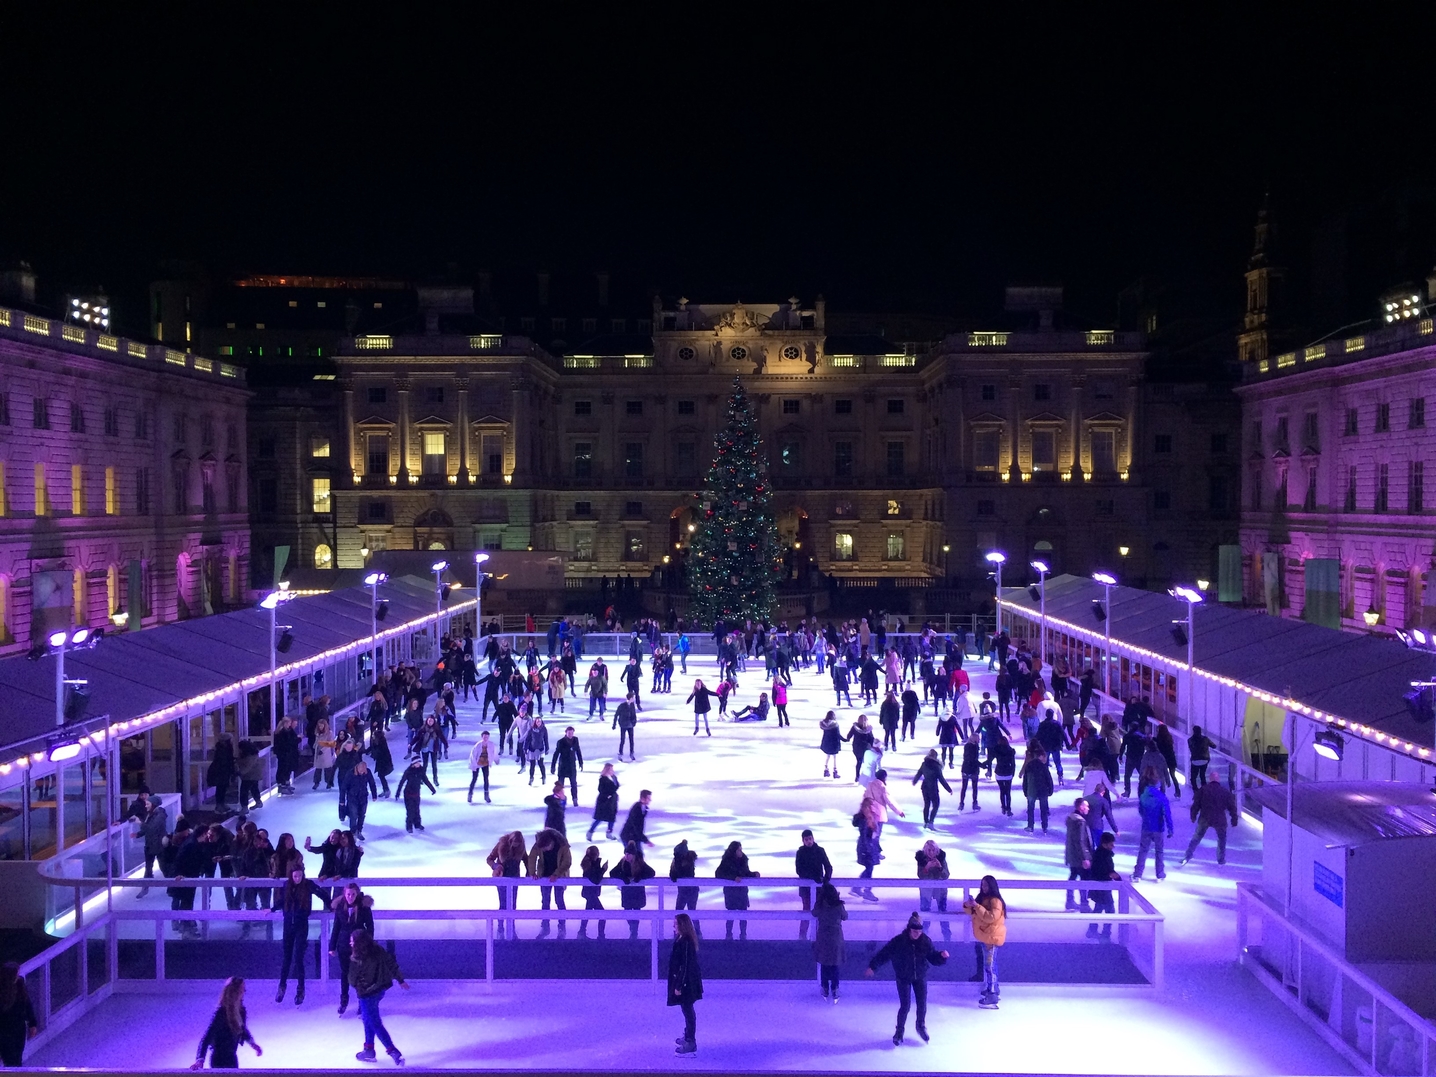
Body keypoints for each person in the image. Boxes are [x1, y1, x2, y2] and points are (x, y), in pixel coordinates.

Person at [864, 912, 950, 1045]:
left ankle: (920, 1026)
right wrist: (873, 966)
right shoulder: (899, 941)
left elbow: (932, 957)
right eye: (915, 931)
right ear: (909, 929)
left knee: (922, 1004)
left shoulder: (925, 941)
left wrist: (941, 957)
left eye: (919, 932)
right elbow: (884, 954)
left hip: (920, 976)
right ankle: (899, 1032)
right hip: (903, 977)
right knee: (905, 1006)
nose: (917, 934)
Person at [349, 928, 409, 1065]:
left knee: (374, 1022)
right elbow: (391, 964)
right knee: (367, 1018)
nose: (350, 943)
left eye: (352, 941)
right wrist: (400, 980)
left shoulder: (356, 958)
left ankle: (393, 1052)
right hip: (379, 990)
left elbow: (352, 979)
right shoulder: (377, 950)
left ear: (358, 943)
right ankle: (368, 1050)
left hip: (366, 994)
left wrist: (358, 986)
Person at [271, 865, 324, 1005]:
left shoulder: (308, 885)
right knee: (286, 958)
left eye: (300, 876)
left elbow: (321, 893)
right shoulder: (286, 885)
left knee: (299, 958)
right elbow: (282, 901)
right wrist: (272, 909)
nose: (297, 878)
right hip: (288, 925)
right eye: (295, 876)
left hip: (301, 926)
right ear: (291, 876)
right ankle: (282, 986)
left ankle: (301, 989)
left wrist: (331, 904)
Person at [191, 976, 261, 1070]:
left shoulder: (241, 1011)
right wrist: (200, 1060)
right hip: (219, 1058)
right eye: (242, 989)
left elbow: (242, 1030)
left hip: (232, 1057)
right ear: (235, 992)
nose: (244, 992)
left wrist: (252, 1043)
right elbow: (207, 1037)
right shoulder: (222, 1013)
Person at [329, 883, 374, 1015]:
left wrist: (368, 943)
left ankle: (361, 1002)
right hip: (343, 945)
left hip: (359, 946)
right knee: (345, 974)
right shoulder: (340, 907)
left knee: (360, 974)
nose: (350, 897)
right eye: (348, 894)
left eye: (353, 894)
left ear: (357, 894)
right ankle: (344, 1001)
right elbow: (336, 927)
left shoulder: (364, 907)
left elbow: (370, 927)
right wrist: (332, 946)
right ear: (344, 894)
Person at [962, 875, 1007, 1008]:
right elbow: (970, 911)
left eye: (986, 885)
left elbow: (991, 917)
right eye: (982, 885)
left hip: (991, 938)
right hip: (985, 937)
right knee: (989, 966)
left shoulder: (995, 901)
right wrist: (969, 904)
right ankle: (992, 989)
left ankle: (992, 994)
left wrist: (977, 906)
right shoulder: (982, 899)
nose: (984, 887)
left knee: (990, 967)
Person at [1182, 774, 1239, 866]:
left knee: (1197, 837)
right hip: (1219, 819)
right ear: (1218, 780)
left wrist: (1193, 816)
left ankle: (1188, 854)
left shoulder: (1203, 790)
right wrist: (1234, 819)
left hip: (1205, 817)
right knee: (1222, 839)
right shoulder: (1225, 792)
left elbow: (1196, 805)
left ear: (1210, 779)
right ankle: (1221, 859)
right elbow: (1232, 807)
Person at [668, 912, 703, 1055]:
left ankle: (690, 1041)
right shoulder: (681, 939)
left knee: (688, 1010)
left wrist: (679, 985)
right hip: (684, 981)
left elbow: (686, 965)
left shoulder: (686, 942)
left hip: (687, 983)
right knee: (686, 1009)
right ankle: (688, 1035)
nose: (673, 926)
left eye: (676, 924)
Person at [527, 827, 572, 937]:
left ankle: (562, 927)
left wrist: (556, 874)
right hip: (544, 876)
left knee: (559, 900)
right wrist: (532, 872)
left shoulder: (563, 845)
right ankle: (545, 927)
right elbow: (532, 857)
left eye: (546, 848)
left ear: (551, 843)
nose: (545, 850)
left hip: (560, 877)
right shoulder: (539, 844)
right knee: (545, 901)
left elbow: (567, 862)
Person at [713, 840, 759, 940]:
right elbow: (719, 873)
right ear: (734, 851)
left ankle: (743, 935)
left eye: (741, 849)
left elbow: (745, 873)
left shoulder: (743, 860)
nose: (741, 852)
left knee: (743, 914)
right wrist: (733, 878)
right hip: (731, 892)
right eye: (739, 850)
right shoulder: (726, 861)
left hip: (742, 891)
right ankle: (729, 935)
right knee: (731, 914)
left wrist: (753, 874)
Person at [610, 841, 656, 939]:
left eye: (629, 854)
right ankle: (632, 928)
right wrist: (623, 877)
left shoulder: (640, 863)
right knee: (627, 912)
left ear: (634, 855)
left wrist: (640, 876)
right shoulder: (622, 863)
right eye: (626, 854)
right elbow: (612, 873)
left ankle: (634, 931)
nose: (626, 856)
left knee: (636, 912)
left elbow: (651, 872)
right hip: (627, 893)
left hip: (637, 893)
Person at [485, 831, 527, 940]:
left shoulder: (521, 848)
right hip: (502, 878)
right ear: (510, 841)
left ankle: (511, 930)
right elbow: (489, 859)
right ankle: (500, 929)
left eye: (518, 844)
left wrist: (530, 872)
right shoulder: (501, 845)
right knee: (503, 904)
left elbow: (526, 860)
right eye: (514, 843)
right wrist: (496, 866)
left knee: (513, 905)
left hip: (514, 880)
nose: (516, 846)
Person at [1133, 773, 1175, 881]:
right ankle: (1160, 874)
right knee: (1159, 851)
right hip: (1158, 828)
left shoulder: (1143, 796)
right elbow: (1167, 814)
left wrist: (1146, 818)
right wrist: (1170, 829)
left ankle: (1137, 874)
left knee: (1143, 850)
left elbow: (1141, 811)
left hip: (1146, 827)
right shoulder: (1162, 798)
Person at [811, 883, 848, 1002]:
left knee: (824, 964)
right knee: (835, 964)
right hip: (836, 938)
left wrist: (818, 901)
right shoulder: (839, 906)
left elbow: (814, 913)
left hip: (823, 937)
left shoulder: (821, 905)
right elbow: (845, 916)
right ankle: (835, 988)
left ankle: (825, 987)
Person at [795, 830, 833, 939]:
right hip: (805, 889)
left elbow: (828, 866)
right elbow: (799, 870)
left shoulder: (820, 851)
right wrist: (813, 877)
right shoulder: (800, 852)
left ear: (813, 838)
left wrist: (826, 879)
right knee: (806, 911)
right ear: (803, 841)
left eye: (810, 839)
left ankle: (818, 936)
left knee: (819, 911)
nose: (809, 841)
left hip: (819, 888)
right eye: (806, 839)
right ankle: (802, 936)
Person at [0, 962, 38, 1069]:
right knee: (9, 1058)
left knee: (17, 1058)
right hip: (4, 1030)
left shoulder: (20, 985)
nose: (18, 976)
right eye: (16, 974)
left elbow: (27, 1004)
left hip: (18, 1028)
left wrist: (32, 1023)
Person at [915, 840, 951, 940]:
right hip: (926, 891)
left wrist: (940, 867)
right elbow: (921, 876)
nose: (931, 852)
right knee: (925, 914)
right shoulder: (921, 859)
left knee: (943, 913)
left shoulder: (941, 858)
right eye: (929, 850)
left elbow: (946, 875)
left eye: (933, 850)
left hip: (941, 891)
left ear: (937, 850)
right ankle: (923, 937)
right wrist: (926, 867)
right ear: (925, 850)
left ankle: (947, 937)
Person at [1087, 832, 1120, 940]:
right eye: (1111, 844)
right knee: (1109, 911)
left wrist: (1115, 876)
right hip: (1102, 888)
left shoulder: (1103, 854)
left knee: (1099, 909)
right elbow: (1100, 872)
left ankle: (1092, 931)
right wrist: (1112, 876)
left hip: (1102, 887)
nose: (1113, 846)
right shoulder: (1101, 856)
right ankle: (1105, 934)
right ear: (1104, 844)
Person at [911, 749, 952, 831]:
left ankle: (926, 822)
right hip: (933, 787)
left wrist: (914, 781)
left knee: (927, 804)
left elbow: (919, 773)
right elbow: (941, 779)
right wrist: (949, 789)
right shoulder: (936, 766)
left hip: (924, 787)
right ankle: (931, 822)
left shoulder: (924, 764)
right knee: (936, 805)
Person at [1064, 797, 1093, 912]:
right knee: (1084, 879)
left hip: (1072, 855)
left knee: (1073, 876)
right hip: (1080, 857)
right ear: (1081, 807)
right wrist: (1085, 857)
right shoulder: (1080, 821)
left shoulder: (1071, 819)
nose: (1088, 809)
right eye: (1086, 806)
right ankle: (1084, 904)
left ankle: (1069, 901)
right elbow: (1080, 840)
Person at [394, 758, 436, 834]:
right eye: (417, 762)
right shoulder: (408, 771)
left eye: (419, 762)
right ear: (413, 763)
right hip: (408, 794)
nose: (419, 764)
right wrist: (398, 793)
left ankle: (417, 824)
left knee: (416, 810)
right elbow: (402, 782)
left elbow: (426, 780)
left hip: (416, 793)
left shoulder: (421, 770)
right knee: (410, 811)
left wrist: (432, 789)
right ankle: (409, 826)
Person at [852, 798, 882, 902]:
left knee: (869, 868)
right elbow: (866, 837)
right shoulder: (865, 820)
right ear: (867, 807)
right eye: (872, 805)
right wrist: (869, 850)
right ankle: (865, 890)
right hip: (866, 848)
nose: (874, 807)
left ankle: (859, 888)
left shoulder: (870, 818)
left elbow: (874, 837)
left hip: (868, 848)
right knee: (869, 868)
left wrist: (878, 850)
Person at [1020, 744, 1053, 834]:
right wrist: (1050, 790)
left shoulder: (1029, 766)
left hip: (1031, 790)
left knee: (1030, 809)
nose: (1045, 758)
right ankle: (1044, 826)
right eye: (1044, 756)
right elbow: (1048, 779)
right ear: (1040, 756)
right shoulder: (1043, 766)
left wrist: (1025, 790)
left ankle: (1030, 826)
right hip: (1043, 790)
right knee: (1044, 809)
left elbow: (1025, 780)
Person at [578, 845, 609, 939]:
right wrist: (603, 869)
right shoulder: (591, 865)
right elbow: (596, 880)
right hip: (591, 894)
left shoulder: (589, 864)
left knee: (587, 913)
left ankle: (581, 932)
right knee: (602, 914)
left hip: (590, 893)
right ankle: (601, 936)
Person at [587, 763, 620, 841]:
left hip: (612, 801)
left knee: (611, 818)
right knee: (600, 818)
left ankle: (609, 832)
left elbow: (616, 786)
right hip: (604, 802)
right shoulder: (602, 779)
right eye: (611, 769)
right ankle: (590, 831)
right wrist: (608, 795)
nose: (612, 771)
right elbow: (601, 789)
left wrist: (614, 778)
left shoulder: (613, 778)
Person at [669, 839, 700, 920]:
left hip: (690, 890)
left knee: (690, 912)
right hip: (684, 890)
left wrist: (675, 874)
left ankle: (694, 927)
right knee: (680, 912)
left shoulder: (688, 861)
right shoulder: (677, 862)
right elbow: (673, 875)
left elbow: (682, 874)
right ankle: (680, 927)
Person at [551, 727, 584, 804]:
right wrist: (553, 766)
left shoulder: (575, 740)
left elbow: (578, 751)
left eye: (572, 733)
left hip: (572, 766)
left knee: (574, 784)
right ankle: (559, 800)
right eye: (569, 733)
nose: (570, 734)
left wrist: (581, 762)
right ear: (566, 733)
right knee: (560, 785)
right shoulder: (561, 742)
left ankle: (575, 799)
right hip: (563, 766)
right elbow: (556, 754)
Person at [991, 733, 1016, 817]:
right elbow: (1013, 763)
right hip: (1008, 772)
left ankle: (1003, 807)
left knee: (1002, 791)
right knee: (1008, 792)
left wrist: (985, 765)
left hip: (999, 772)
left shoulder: (996, 750)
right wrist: (1013, 772)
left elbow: (990, 759)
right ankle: (1008, 809)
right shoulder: (1010, 751)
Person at [958, 731, 982, 811]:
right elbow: (973, 759)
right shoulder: (974, 747)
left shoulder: (968, 746)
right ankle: (974, 803)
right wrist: (982, 765)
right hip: (973, 769)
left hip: (966, 768)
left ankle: (961, 803)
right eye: (978, 738)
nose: (979, 739)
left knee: (964, 787)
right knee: (974, 787)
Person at [468, 730, 494, 804]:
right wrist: (474, 765)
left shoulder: (491, 744)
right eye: (484, 737)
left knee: (486, 779)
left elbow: (493, 753)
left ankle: (486, 795)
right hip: (477, 763)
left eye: (487, 737)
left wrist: (494, 760)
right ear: (482, 737)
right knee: (474, 779)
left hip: (485, 763)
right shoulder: (478, 745)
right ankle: (470, 794)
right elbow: (473, 756)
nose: (486, 738)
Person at [312, 719, 337, 791]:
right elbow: (316, 741)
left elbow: (331, 743)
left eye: (322, 725)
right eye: (319, 726)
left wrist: (323, 750)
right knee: (318, 769)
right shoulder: (317, 733)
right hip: (318, 752)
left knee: (327, 768)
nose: (320, 727)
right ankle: (316, 782)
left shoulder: (329, 733)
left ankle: (329, 783)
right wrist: (315, 747)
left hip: (326, 753)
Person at [1188, 725, 1215, 789]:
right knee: (1202, 775)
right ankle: (1204, 790)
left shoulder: (1190, 740)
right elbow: (1214, 746)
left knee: (1193, 777)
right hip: (1205, 759)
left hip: (1195, 760)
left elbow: (1191, 749)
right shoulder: (1205, 739)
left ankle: (1196, 791)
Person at [818, 711, 843, 779]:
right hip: (834, 742)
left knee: (828, 756)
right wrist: (844, 739)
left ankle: (826, 769)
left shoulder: (824, 724)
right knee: (834, 757)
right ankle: (835, 771)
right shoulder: (835, 724)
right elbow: (837, 734)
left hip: (826, 742)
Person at [614, 694, 639, 760]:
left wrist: (634, 722)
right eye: (633, 698)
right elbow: (616, 715)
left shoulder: (632, 705)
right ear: (630, 698)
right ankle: (620, 753)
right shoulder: (622, 706)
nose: (633, 699)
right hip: (623, 725)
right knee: (622, 740)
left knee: (631, 740)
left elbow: (634, 714)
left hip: (630, 725)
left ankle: (631, 753)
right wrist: (614, 724)